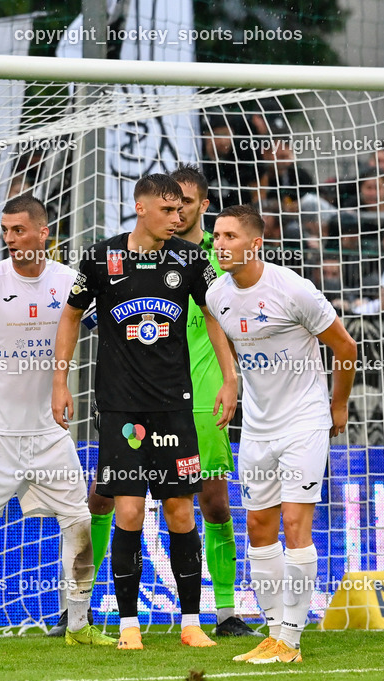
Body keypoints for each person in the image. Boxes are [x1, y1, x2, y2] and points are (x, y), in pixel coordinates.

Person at [51, 174, 238, 651]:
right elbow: (71, 315)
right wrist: (59, 380)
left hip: (176, 408)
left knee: (181, 512)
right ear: (141, 208)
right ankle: (129, 627)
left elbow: (215, 316)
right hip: (120, 409)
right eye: (168, 210)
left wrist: (230, 376)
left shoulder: (193, 260)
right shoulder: (99, 258)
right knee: (129, 511)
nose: (177, 219)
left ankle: (192, 623)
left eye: (181, 211)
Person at [0, 194, 113, 650]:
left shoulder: (70, 282)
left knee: (79, 525)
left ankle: (77, 626)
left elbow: (105, 331)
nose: (11, 240)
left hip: (50, 435)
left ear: (43, 232)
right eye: (6, 232)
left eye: (19, 230)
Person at [206, 204, 357, 664]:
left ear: (255, 244)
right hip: (255, 425)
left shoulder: (294, 290)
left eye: (230, 236)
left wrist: (338, 404)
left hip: (304, 422)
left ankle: (291, 637)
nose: (220, 244)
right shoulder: (217, 294)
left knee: (295, 525)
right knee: (258, 527)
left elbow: (346, 347)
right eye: (216, 236)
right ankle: (272, 632)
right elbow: (216, 324)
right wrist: (230, 379)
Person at [169, 164, 260, 637]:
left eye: (185, 200)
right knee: (107, 496)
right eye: (170, 200)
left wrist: (233, 378)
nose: (177, 209)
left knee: (213, 502)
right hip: (144, 395)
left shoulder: (220, 256)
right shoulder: (141, 253)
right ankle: (76, 609)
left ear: (203, 205)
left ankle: (225, 612)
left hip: (205, 396)